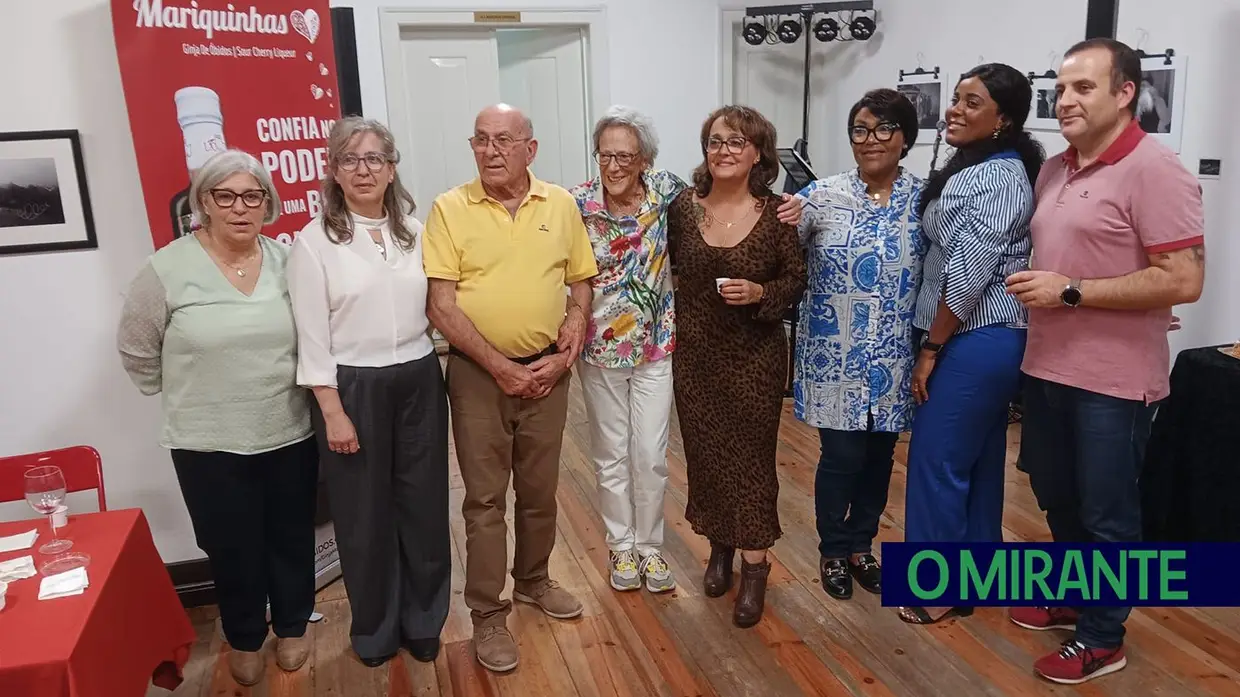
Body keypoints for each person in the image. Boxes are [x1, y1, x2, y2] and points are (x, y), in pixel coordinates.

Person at [1004, 38, 1205, 685]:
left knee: (1106, 514)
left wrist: (1071, 290)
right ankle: (1076, 596)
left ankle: (1101, 637)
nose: (1065, 100)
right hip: (1046, 367)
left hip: (1113, 382)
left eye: (1083, 87)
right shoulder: (1054, 169)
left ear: (1125, 93)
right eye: (1060, 88)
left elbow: (1183, 278)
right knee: (1057, 497)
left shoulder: (1156, 170)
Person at [569, 106, 802, 595]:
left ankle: (661, 549)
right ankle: (627, 546)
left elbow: (790, 270)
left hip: (669, 347)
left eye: (626, 155)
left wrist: (799, 206)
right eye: (605, 154)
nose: (614, 165)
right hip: (621, 349)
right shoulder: (581, 203)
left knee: (654, 455)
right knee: (625, 454)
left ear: (645, 160)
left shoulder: (668, 196)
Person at [117, 149, 317, 687]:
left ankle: (293, 626)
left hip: (287, 429)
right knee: (231, 547)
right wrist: (191, 392)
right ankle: (245, 636)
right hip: (206, 442)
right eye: (224, 195)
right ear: (203, 202)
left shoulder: (288, 261)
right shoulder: (167, 268)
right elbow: (136, 347)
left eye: (252, 196)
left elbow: (315, 336)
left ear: (268, 203)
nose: (239, 207)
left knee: (291, 537)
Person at [423, 103, 598, 673]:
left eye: (503, 140)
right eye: (481, 140)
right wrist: (500, 366)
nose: (490, 150)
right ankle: (487, 612)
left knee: (541, 488)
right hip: (478, 377)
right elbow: (441, 306)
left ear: (531, 148)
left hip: (548, 373)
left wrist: (573, 328)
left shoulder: (561, 204)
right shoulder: (450, 208)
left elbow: (581, 281)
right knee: (484, 500)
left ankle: (534, 580)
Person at [287, 117, 449, 668]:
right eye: (350, 159)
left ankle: (424, 621)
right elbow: (311, 339)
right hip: (353, 386)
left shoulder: (415, 231)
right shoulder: (314, 242)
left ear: (391, 168)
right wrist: (332, 412)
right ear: (333, 171)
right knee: (364, 515)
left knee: (424, 507)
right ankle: (376, 630)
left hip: (420, 375)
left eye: (374, 158)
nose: (363, 170)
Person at [897, 63, 1044, 625]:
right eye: (956, 98)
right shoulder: (978, 166)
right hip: (976, 339)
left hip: (975, 338)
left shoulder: (999, 178)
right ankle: (976, 577)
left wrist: (931, 350)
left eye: (972, 102)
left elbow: (967, 274)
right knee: (977, 463)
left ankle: (934, 590)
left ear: (1003, 118)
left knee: (936, 461)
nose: (955, 110)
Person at [666, 105, 807, 628]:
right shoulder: (682, 208)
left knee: (750, 462)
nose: (724, 150)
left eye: (736, 142)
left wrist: (760, 292)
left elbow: (795, 281)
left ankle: (755, 566)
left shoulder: (779, 213)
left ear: (757, 153)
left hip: (754, 359)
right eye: (715, 141)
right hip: (696, 357)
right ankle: (719, 545)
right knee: (706, 457)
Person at [794, 88, 925, 601]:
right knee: (842, 456)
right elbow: (779, 255)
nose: (871, 139)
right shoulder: (819, 197)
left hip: (894, 357)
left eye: (884, 128)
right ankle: (832, 548)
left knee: (880, 457)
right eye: (860, 130)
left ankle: (860, 545)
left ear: (905, 138)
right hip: (834, 356)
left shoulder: (926, 200)